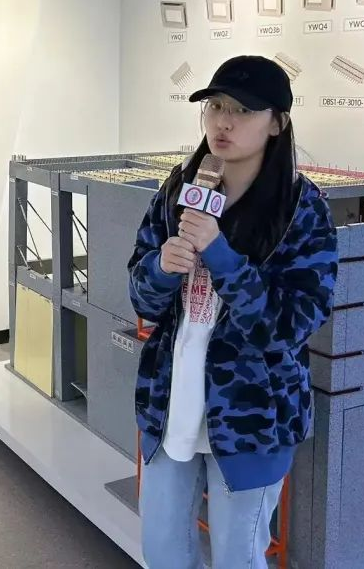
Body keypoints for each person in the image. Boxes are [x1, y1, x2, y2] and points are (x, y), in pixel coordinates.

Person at [128, 55, 338, 568]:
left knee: (237, 557)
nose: (224, 122)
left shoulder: (302, 207)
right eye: (216, 106)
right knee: (163, 552)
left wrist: (221, 255)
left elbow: (291, 325)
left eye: (243, 110)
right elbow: (142, 299)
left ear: (277, 123)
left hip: (253, 417)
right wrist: (160, 268)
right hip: (171, 402)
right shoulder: (179, 189)